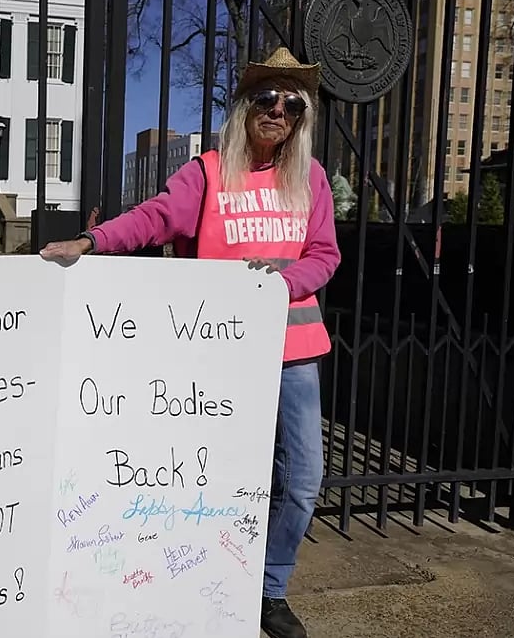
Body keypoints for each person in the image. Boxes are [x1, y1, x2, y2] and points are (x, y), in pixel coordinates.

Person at [40, 47, 339, 638]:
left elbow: (324, 255)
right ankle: (202, 580)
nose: (277, 110)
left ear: (301, 117)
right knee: (213, 479)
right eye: (265, 98)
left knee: (302, 481)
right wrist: (91, 241)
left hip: (292, 353)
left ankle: (269, 588)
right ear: (245, 106)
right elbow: (152, 218)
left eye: (291, 103)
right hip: (218, 358)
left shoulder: (311, 179)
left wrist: (279, 286)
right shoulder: (206, 172)